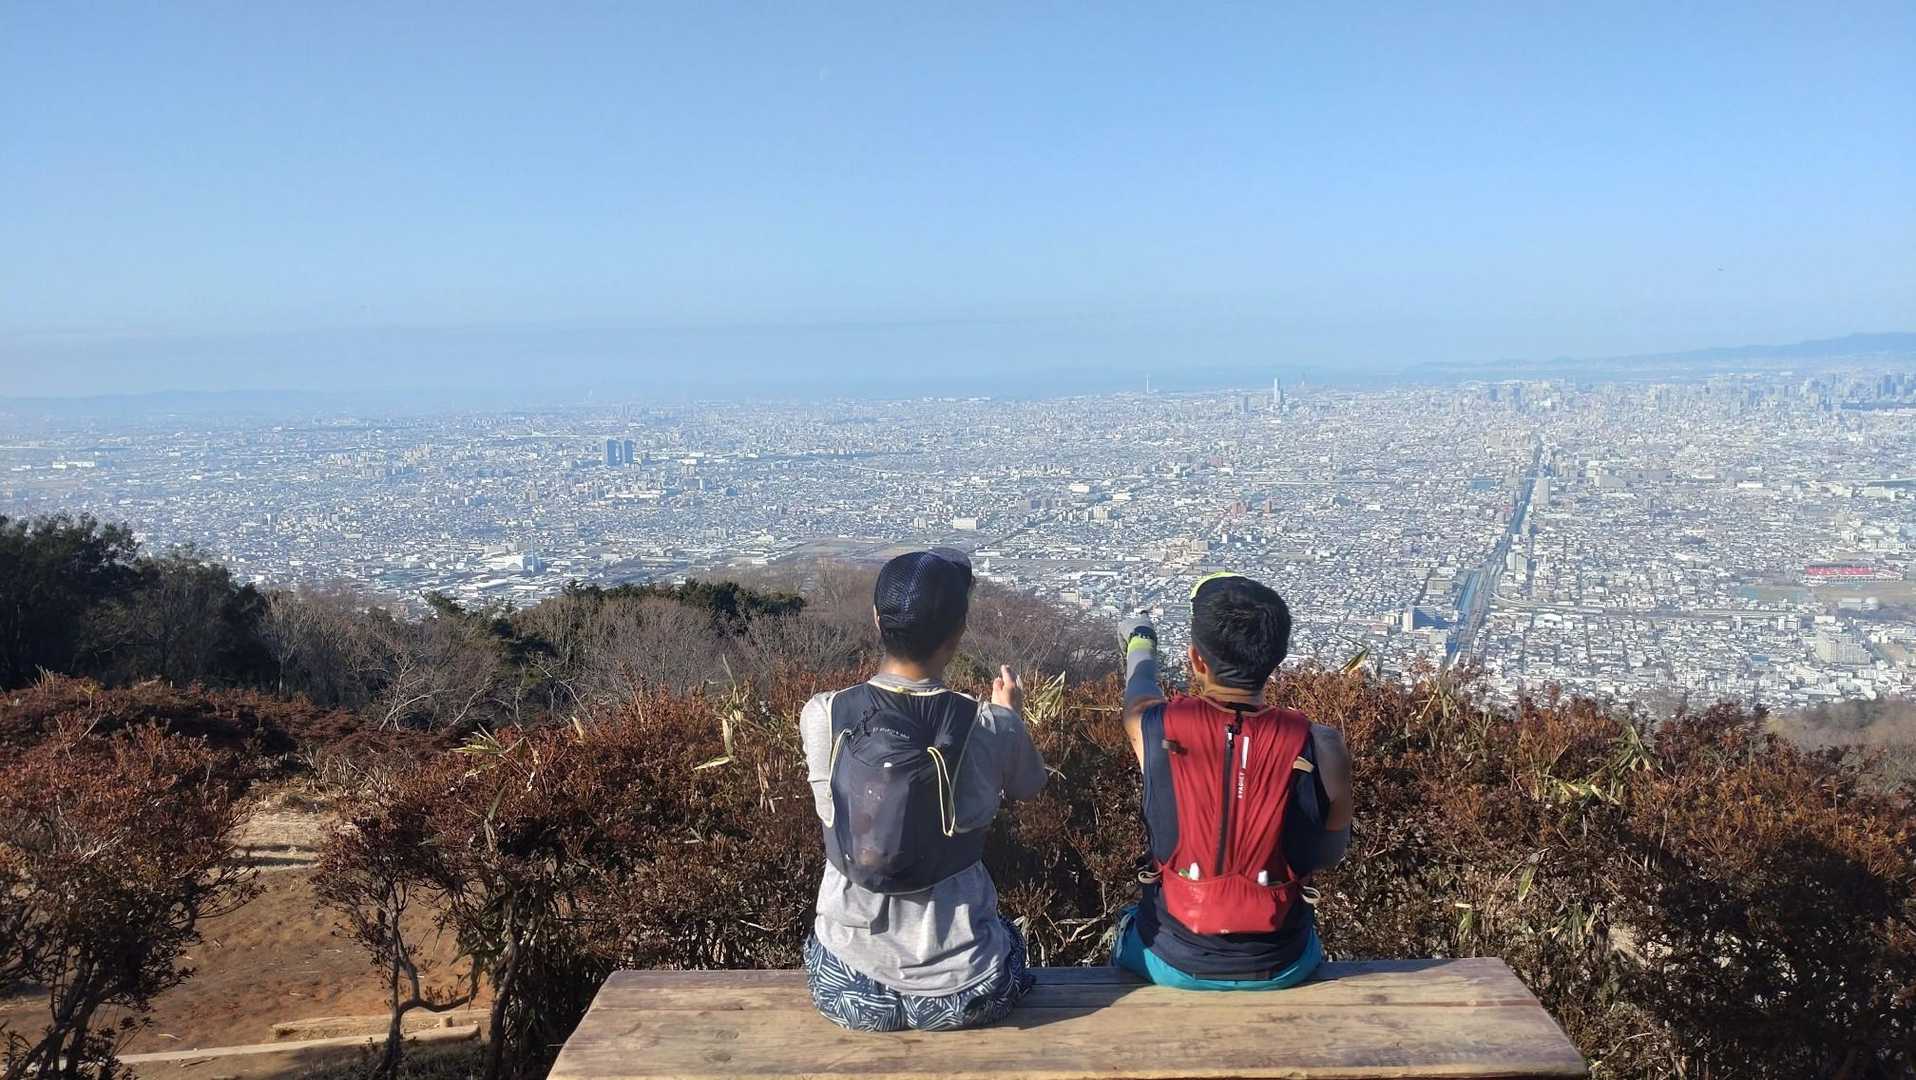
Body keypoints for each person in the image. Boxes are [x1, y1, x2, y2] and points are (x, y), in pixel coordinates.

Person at [800, 546, 1048, 1031]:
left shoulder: (823, 714)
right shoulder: (988, 725)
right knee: (1010, 939)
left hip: (846, 982)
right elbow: (1030, 785)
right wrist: (1010, 719)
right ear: (958, 631)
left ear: (877, 619)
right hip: (963, 990)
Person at [1111, 571, 1354, 990]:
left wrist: (1141, 641)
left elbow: (1141, 689)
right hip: (1283, 964)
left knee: (1126, 926)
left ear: (1196, 660)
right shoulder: (1323, 746)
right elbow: (1329, 854)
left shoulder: (1152, 729)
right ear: (1276, 658)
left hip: (1171, 960)